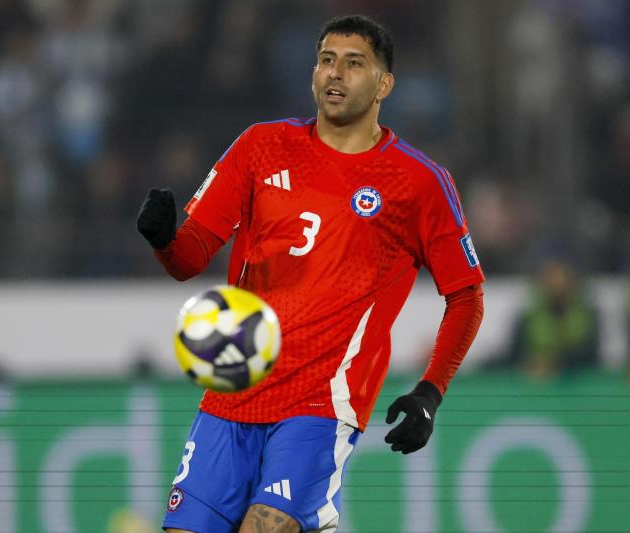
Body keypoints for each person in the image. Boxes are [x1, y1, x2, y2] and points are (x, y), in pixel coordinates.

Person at [136, 15, 485, 533]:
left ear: (384, 84)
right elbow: (190, 259)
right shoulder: (260, 145)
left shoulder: (418, 182)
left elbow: (466, 297)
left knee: (267, 525)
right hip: (235, 385)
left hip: (322, 400)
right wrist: (164, 238)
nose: (335, 74)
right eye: (326, 60)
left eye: (353, 63)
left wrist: (430, 392)